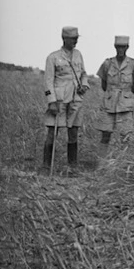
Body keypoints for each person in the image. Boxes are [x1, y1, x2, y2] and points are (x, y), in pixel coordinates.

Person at [42, 26, 89, 174]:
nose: (75, 41)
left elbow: (84, 74)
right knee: (52, 132)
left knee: (73, 132)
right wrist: (52, 101)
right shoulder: (53, 57)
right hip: (59, 100)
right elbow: (48, 81)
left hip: (75, 99)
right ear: (64, 39)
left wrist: (84, 85)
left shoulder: (78, 55)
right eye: (73, 39)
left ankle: (72, 167)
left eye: (76, 39)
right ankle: (45, 166)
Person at [95, 36, 134, 160]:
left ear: (127, 47)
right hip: (109, 103)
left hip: (125, 104)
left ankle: (124, 164)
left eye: (123, 47)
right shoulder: (107, 63)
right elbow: (104, 84)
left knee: (125, 136)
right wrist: (113, 94)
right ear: (115, 47)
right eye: (118, 47)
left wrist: (124, 95)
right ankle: (102, 163)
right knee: (105, 134)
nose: (120, 49)